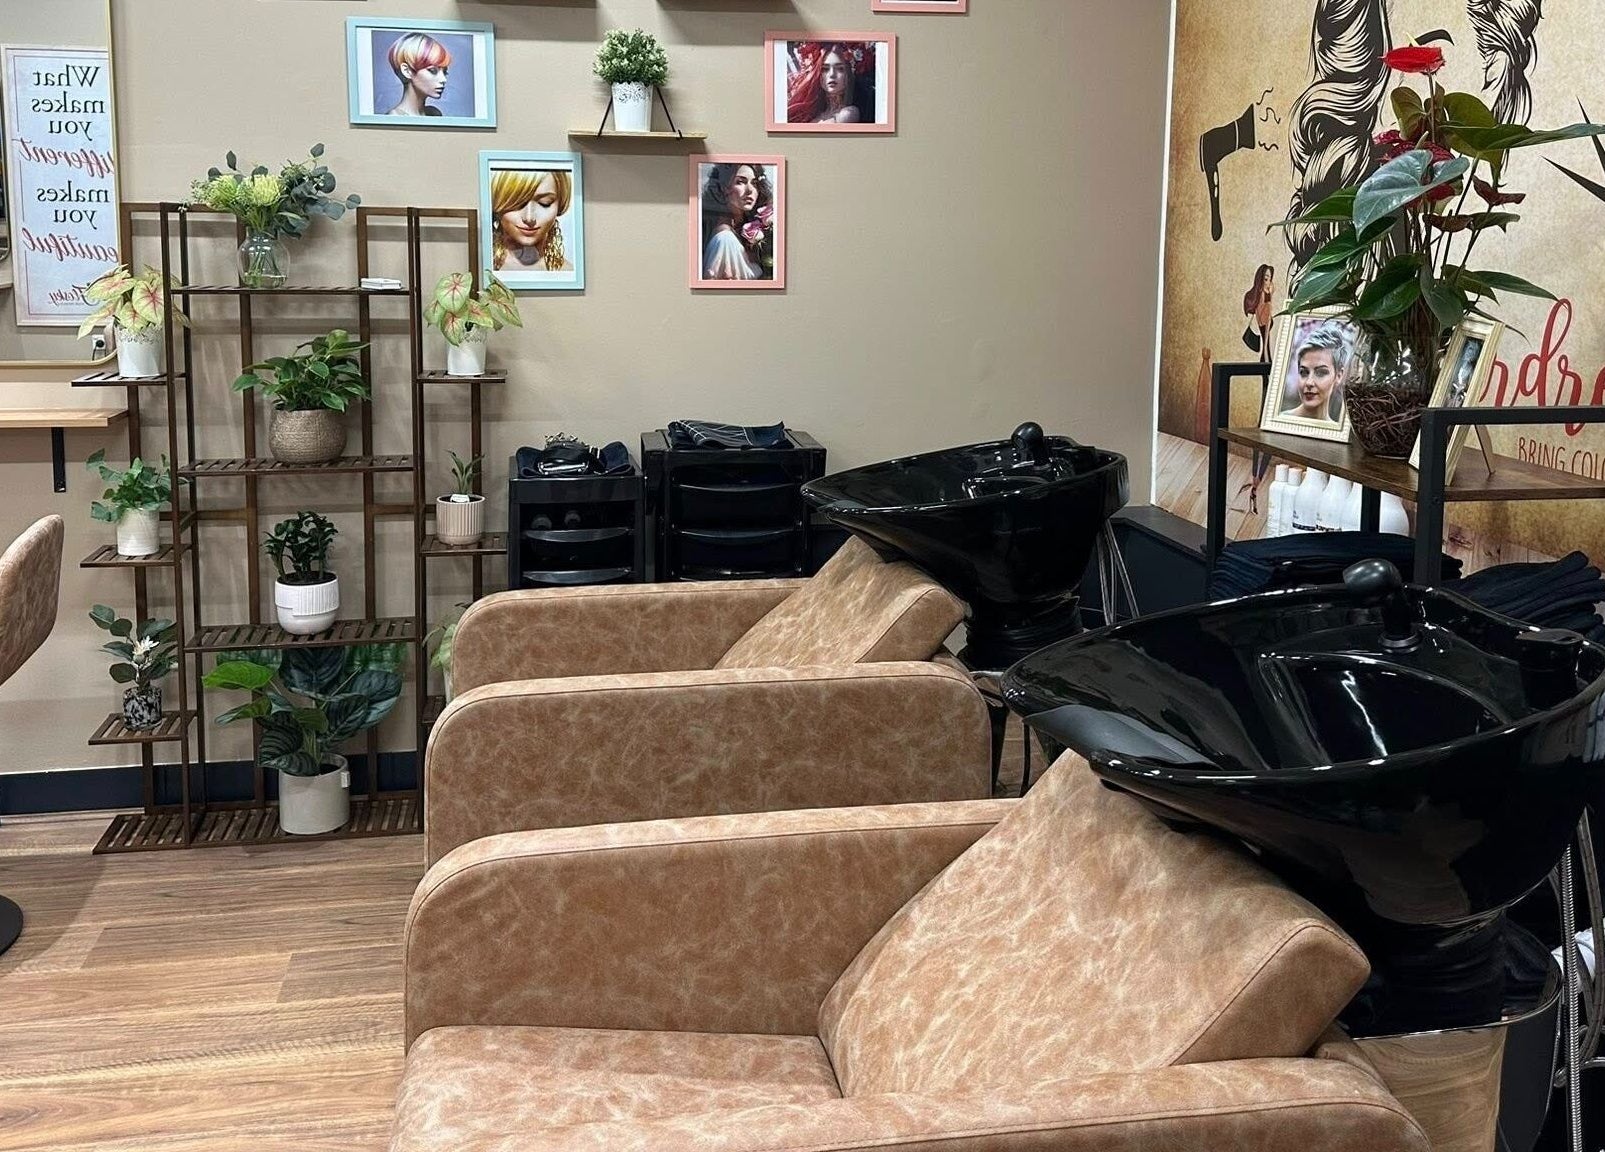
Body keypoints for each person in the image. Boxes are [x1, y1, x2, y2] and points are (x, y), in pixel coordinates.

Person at [701, 163, 774, 281]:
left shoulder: (743, 229)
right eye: (740, 182)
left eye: (754, 183)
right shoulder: (725, 240)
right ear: (723, 188)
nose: (750, 190)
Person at [491, 169, 573, 273]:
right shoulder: (481, 264)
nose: (529, 218)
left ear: (560, 205)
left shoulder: (568, 272)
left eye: (545, 203)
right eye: (517, 203)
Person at [786, 42, 876, 125]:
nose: (832, 74)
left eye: (840, 69)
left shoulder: (848, 113)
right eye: (825, 69)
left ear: (849, 73)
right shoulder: (815, 113)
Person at [1282, 319, 1352, 422]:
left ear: (1338, 376)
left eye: (1320, 373)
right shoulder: (1280, 420)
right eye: (1304, 372)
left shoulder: (1337, 430)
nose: (1309, 383)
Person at [385, 32, 451, 117]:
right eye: (433, 71)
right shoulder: (395, 117)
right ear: (407, 71)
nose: (444, 79)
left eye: (445, 72)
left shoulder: (433, 113)